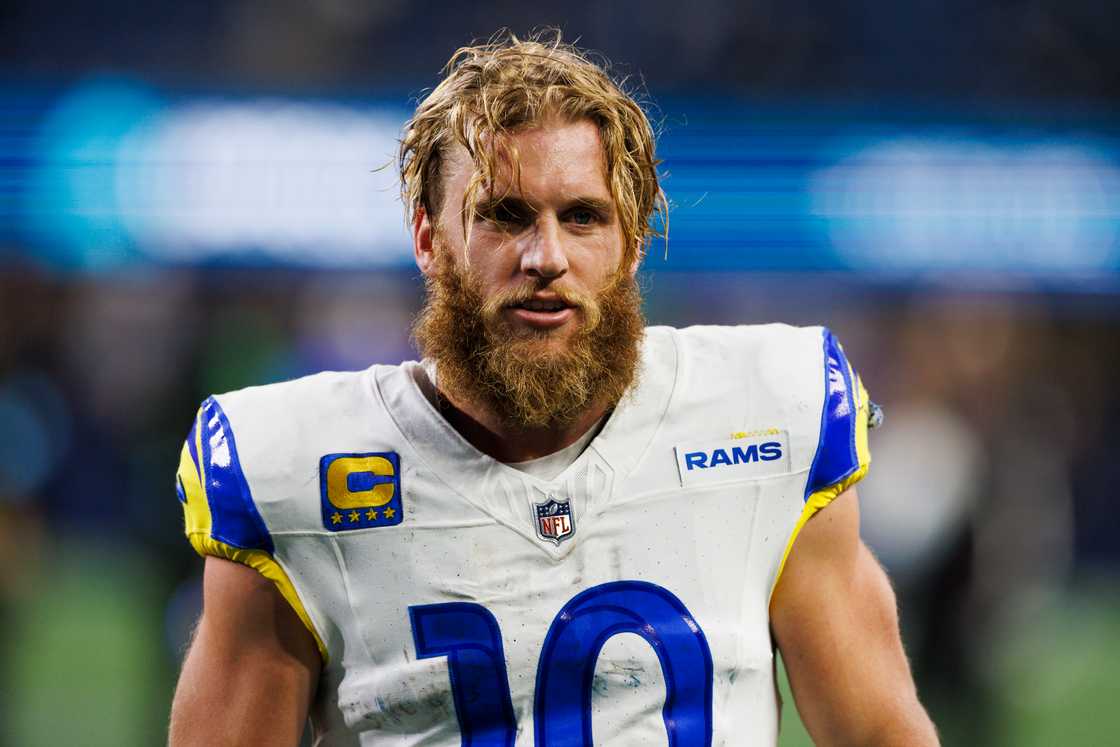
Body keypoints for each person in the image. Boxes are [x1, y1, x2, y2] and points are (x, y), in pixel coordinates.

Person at [168, 31, 938, 747]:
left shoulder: (770, 416)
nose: (547, 255)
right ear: (428, 238)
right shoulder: (292, 472)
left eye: (583, 217)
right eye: (504, 216)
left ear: (632, 244)